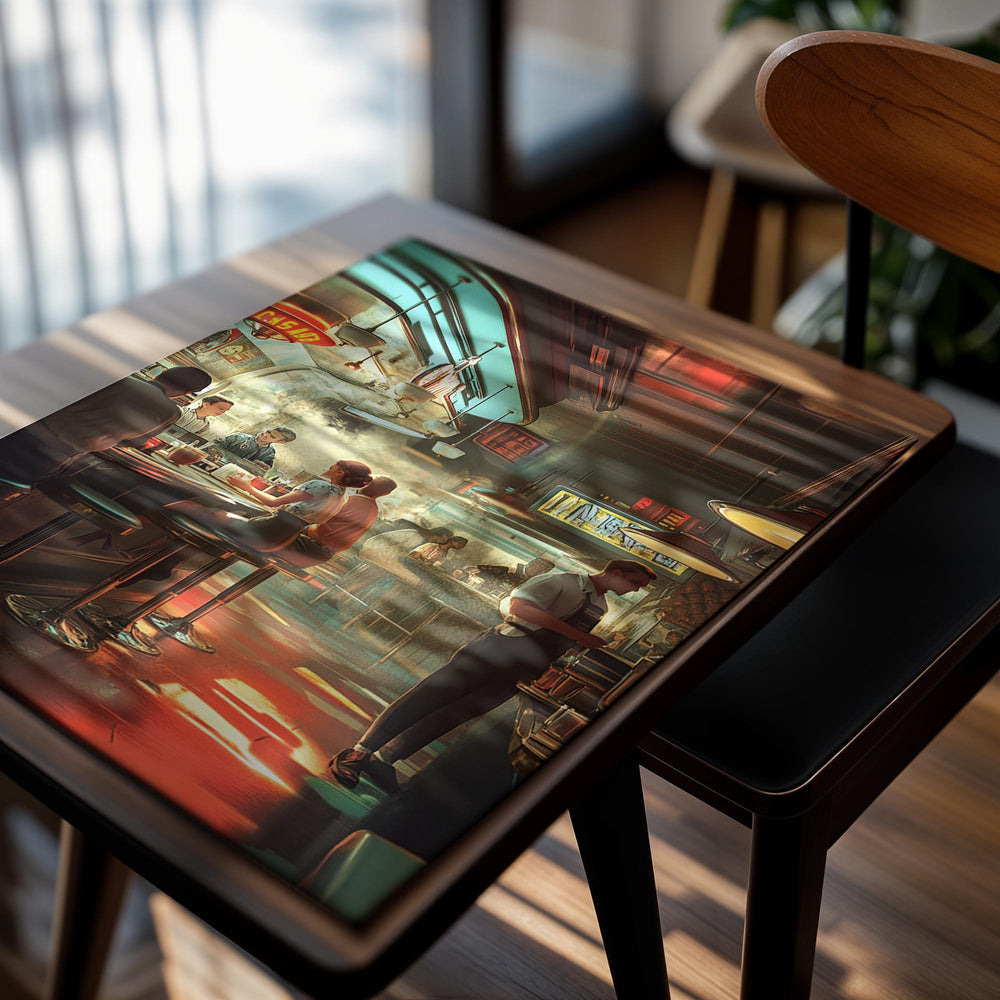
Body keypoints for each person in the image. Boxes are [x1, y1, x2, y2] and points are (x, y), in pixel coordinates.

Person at [327, 559, 657, 792]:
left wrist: (558, 657)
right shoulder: (562, 581)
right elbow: (519, 608)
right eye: (633, 583)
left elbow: (564, 636)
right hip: (500, 646)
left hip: (525, 665)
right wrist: (577, 635)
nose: (633, 591)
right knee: (429, 697)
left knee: (453, 715)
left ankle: (385, 760)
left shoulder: (600, 606)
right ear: (615, 572)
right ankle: (357, 754)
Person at [0, 366, 211, 484]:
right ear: (185, 393)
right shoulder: (170, 412)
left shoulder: (118, 378)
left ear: (161, 373)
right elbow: (133, 442)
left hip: (22, 434)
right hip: (54, 456)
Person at [215, 427, 295, 468]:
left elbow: (263, 469)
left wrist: (261, 466)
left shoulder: (269, 453)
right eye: (268, 432)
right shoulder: (237, 437)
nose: (266, 434)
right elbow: (213, 446)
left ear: (280, 442)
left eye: (272, 436)